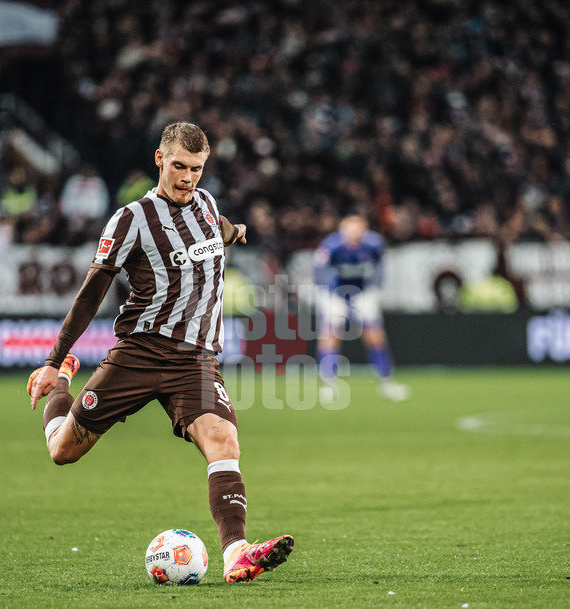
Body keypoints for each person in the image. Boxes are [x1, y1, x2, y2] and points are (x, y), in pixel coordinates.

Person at [28, 122, 293, 582]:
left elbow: (219, 231)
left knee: (223, 441)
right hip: (139, 353)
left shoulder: (207, 206)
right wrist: (53, 361)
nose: (188, 178)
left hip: (195, 360)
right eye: (178, 167)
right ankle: (66, 379)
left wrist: (237, 231)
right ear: (159, 159)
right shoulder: (130, 220)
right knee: (62, 451)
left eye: (196, 168)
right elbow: (91, 292)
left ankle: (236, 553)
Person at [314, 214, 410, 403]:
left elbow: (381, 266)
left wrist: (375, 289)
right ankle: (328, 383)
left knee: (374, 335)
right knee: (330, 334)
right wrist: (326, 295)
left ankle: (386, 381)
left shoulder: (374, 244)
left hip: (362, 292)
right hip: (335, 293)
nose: (354, 233)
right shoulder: (332, 245)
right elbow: (319, 270)